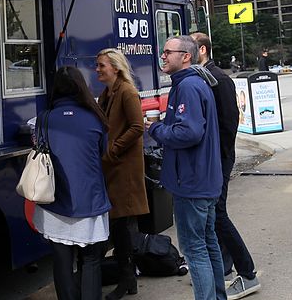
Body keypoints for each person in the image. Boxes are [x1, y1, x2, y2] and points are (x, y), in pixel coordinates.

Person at [146, 36, 225, 300]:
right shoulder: (193, 83)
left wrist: (156, 128)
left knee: (194, 250)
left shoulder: (189, 86)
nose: (163, 56)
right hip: (203, 180)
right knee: (208, 243)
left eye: (168, 52)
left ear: (186, 56)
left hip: (191, 183)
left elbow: (188, 133)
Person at [32, 66, 111, 300]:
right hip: (90, 199)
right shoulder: (96, 117)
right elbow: (103, 152)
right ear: (81, 87)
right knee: (91, 260)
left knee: (61, 262)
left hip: (55, 201)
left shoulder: (44, 119)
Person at [191, 33, 260, 299]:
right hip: (213, 159)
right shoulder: (202, 77)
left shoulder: (218, 78)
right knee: (214, 214)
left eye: (190, 48)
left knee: (218, 213)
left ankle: (248, 273)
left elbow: (229, 124)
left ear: (202, 50)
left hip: (218, 159)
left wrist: (216, 159)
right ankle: (225, 267)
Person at [96, 49, 149, 300]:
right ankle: (128, 279)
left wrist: (114, 149)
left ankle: (128, 279)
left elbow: (138, 126)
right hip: (113, 167)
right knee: (120, 226)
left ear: (115, 68)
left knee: (123, 226)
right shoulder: (107, 93)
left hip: (123, 168)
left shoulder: (127, 91)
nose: (97, 70)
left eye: (101, 66)